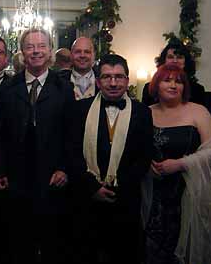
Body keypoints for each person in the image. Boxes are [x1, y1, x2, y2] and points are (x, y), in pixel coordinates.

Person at [0, 28, 75, 264]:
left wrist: (64, 168)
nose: (36, 51)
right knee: (20, 243)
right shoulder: (9, 88)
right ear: (22, 52)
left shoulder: (63, 88)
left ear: (50, 50)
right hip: (17, 179)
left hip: (52, 178)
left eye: (41, 46)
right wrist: (0, 169)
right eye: (30, 46)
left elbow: (72, 134)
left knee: (52, 243)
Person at [69, 53, 154, 264]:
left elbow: (144, 157)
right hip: (87, 200)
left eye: (119, 77)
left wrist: (119, 187)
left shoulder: (142, 112)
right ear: (98, 81)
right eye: (107, 77)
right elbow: (71, 153)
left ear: (127, 80)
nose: (113, 83)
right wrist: (93, 188)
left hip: (125, 202)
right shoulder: (79, 110)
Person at [143, 64, 211, 264]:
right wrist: (146, 165)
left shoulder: (199, 112)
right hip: (152, 194)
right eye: (167, 80)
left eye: (178, 82)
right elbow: (134, 149)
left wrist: (180, 164)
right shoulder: (144, 113)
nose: (173, 85)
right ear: (156, 85)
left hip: (186, 193)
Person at [142, 40, 206, 107]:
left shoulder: (197, 90)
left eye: (179, 57)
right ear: (164, 61)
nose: (175, 61)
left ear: (186, 62)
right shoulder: (149, 88)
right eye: (170, 57)